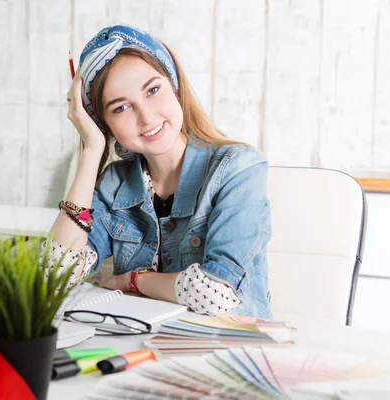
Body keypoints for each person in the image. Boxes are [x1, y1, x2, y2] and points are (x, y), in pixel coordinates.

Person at [48, 25, 272, 318]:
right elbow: (54, 276)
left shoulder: (238, 168)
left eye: (152, 90)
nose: (146, 116)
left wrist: (135, 280)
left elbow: (217, 294)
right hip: (139, 346)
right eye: (120, 108)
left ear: (174, 84)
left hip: (228, 349)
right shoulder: (115, 183)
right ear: (105, 124)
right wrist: (91, 151)